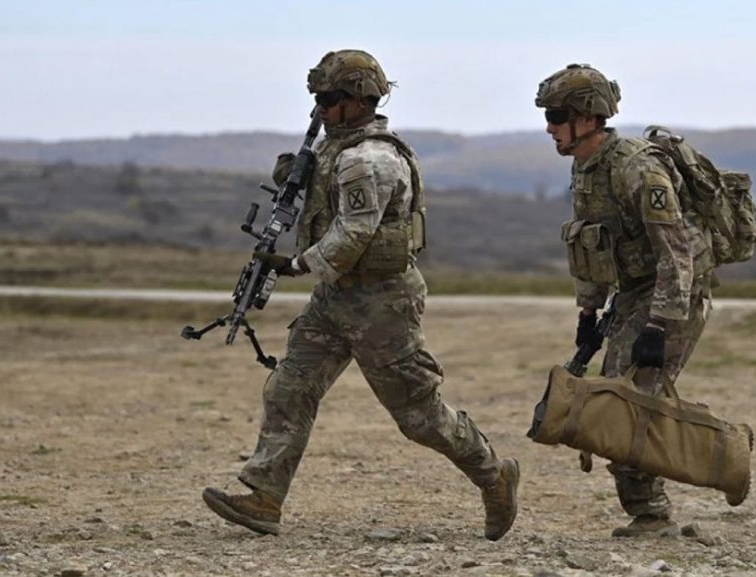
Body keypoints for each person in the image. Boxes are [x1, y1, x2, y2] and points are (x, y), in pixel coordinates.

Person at [202, 49, 519, 541]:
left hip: (381, 303)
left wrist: (297, 264)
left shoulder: (369, 160)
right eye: (317, 98)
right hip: (334, 298)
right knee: (290, 387)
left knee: (419, 416)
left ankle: (493, 474)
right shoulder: (335, 151)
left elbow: (354, 232)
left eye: (329, 99)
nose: (321, 108)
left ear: (358, 100)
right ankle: (264, 496)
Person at [535, 64, 715, 537]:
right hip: (634, 292)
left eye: (556, 116)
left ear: (588, 117)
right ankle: (648, 511)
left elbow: (676, 252)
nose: (549, 127)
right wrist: (588, 310)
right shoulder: (586, 167)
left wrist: (658, 325)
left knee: (626, 401)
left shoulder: (637, 168)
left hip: (672, 293)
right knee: (620, 397)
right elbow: (589, 243)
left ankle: (655, 512)